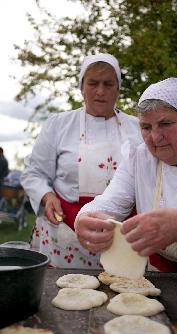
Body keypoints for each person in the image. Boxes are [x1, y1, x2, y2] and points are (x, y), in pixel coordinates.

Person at [75, 77, 177, 274]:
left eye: (165, 123)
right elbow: (110, 201)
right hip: (164, 275)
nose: (155, 137)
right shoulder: (139, 158)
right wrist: (85, 218)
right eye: (146, 127)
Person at [20, 53, 143, 268]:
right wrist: (47, 196)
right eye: (93, 83)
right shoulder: (58, 124)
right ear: (81, 87)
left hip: (121, 232)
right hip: (65, 230)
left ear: (118, 88)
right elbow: (34, 173)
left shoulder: (138, 128)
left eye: (108, 84)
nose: (101, 91)